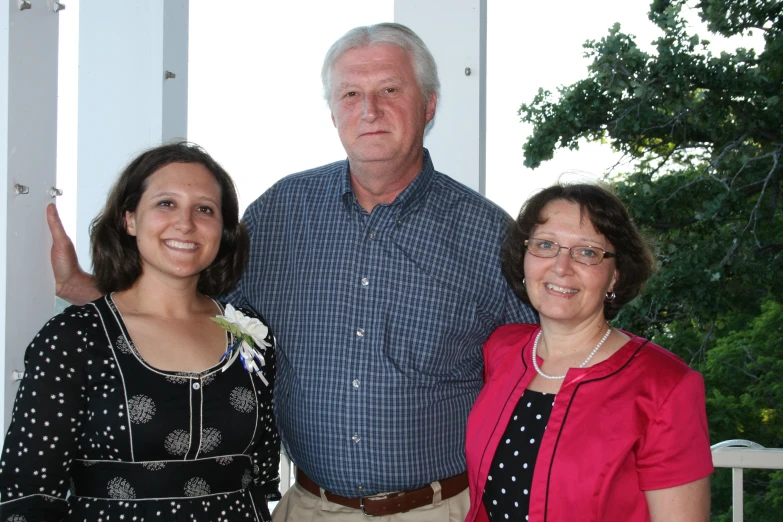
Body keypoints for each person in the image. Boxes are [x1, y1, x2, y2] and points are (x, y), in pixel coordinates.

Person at [46, 23, 538, 521]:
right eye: (350, 94)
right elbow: (185, 304)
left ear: (429, 105)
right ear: (332, 113)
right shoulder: (281, 212)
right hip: (307, 507)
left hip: (440, 508)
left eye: (390, 89)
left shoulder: (489, 235)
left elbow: (549, 365)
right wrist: (89, 292)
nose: (369, 110)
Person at [1, 142, 280, 521]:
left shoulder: (250, 337)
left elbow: (261, 477)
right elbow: (27, 496)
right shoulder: (74, 339)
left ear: (224, 230)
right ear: (129, 219)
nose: (185, 223)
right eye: (166, 203)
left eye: (205, 209)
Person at [465, 183, 713, 522]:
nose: (561, 266)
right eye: (546, 245)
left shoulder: (665, 385)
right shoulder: (503, 349)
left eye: (587, 252)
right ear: (523, 258)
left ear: (615, 275)